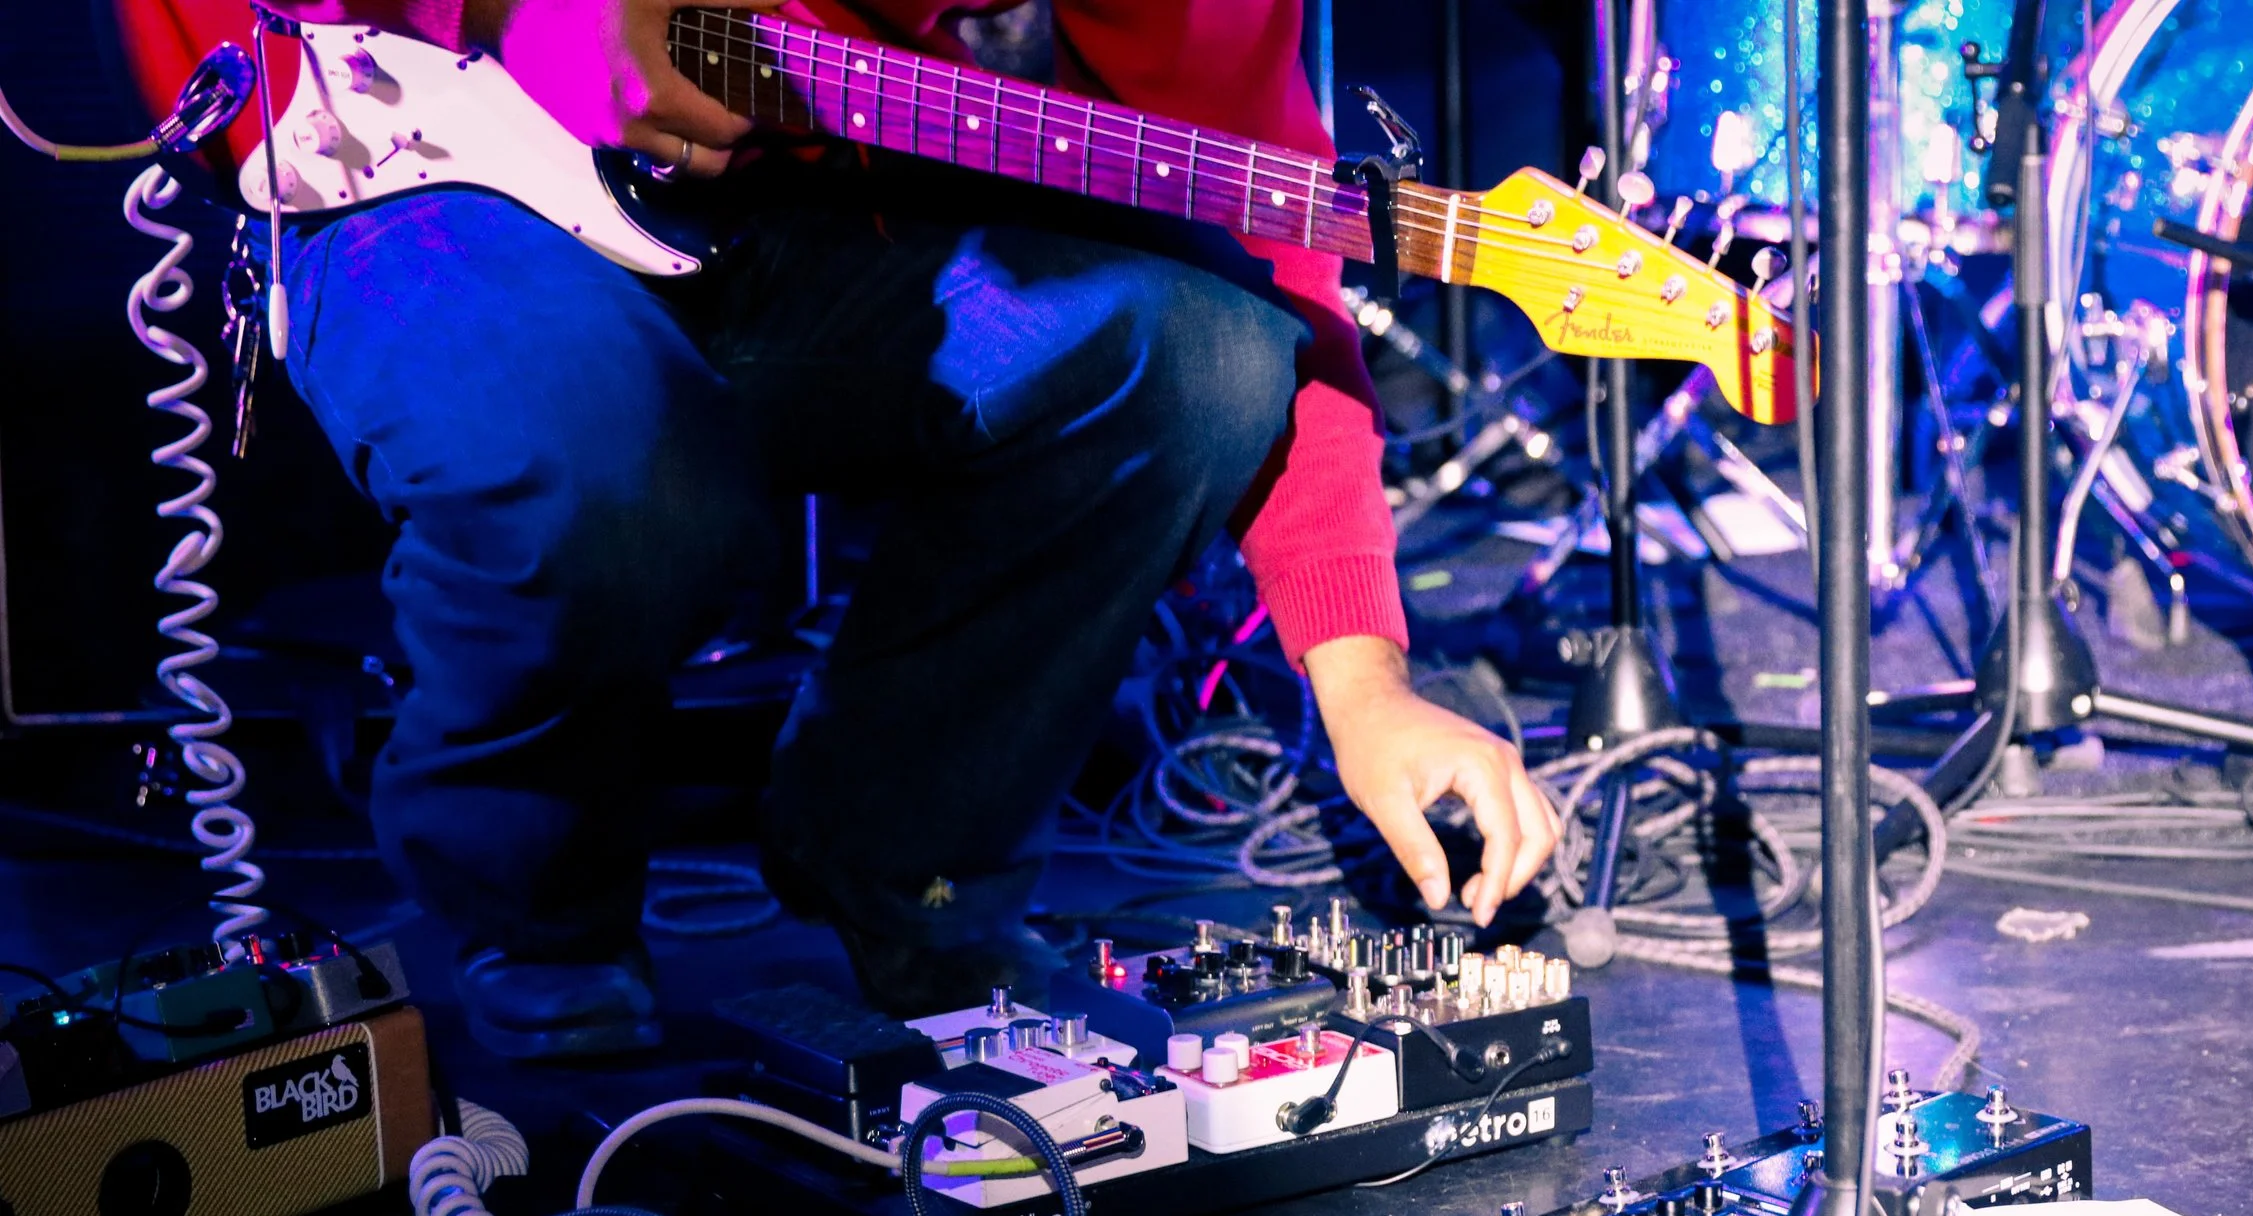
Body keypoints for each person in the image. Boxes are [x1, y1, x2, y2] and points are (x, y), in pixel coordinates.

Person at [117, 0, 1560, 1056]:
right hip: (434, 163)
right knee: (605, 464)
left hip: (806, 238)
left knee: (1199, 355)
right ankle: (537, 914)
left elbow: (1278, 230)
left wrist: (1361, 674)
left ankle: (909, 866)